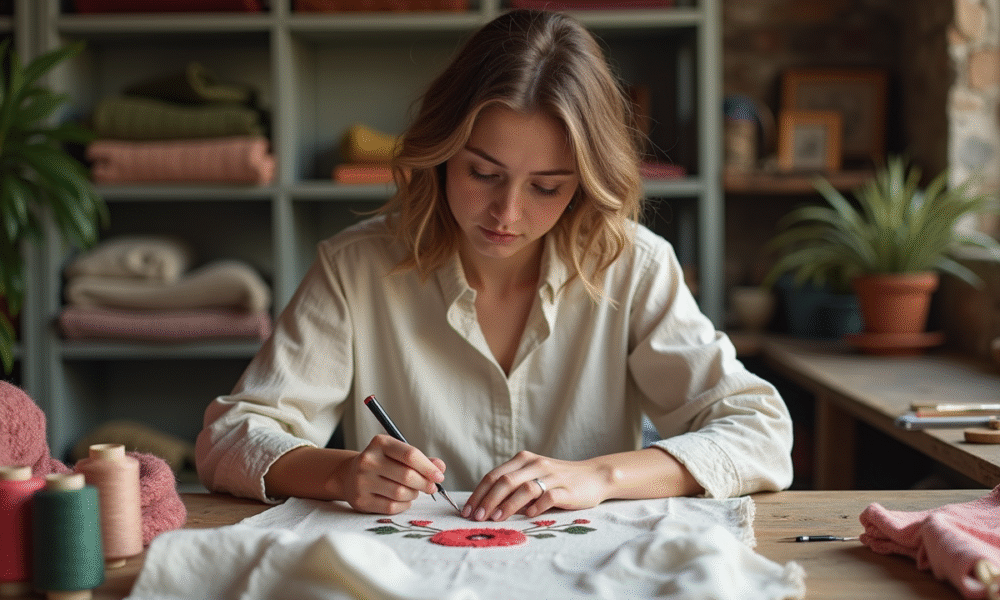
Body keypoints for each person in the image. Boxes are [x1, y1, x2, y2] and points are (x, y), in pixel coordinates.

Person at [196, 8, 793, 522]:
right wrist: (340, 474)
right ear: (441, 154)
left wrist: (599, 478)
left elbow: (761, 433)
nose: (507, 213)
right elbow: (228, 439)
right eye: (483, 173)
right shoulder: (357, 267)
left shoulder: (633, 266)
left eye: (547, 187)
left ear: (585, 186)